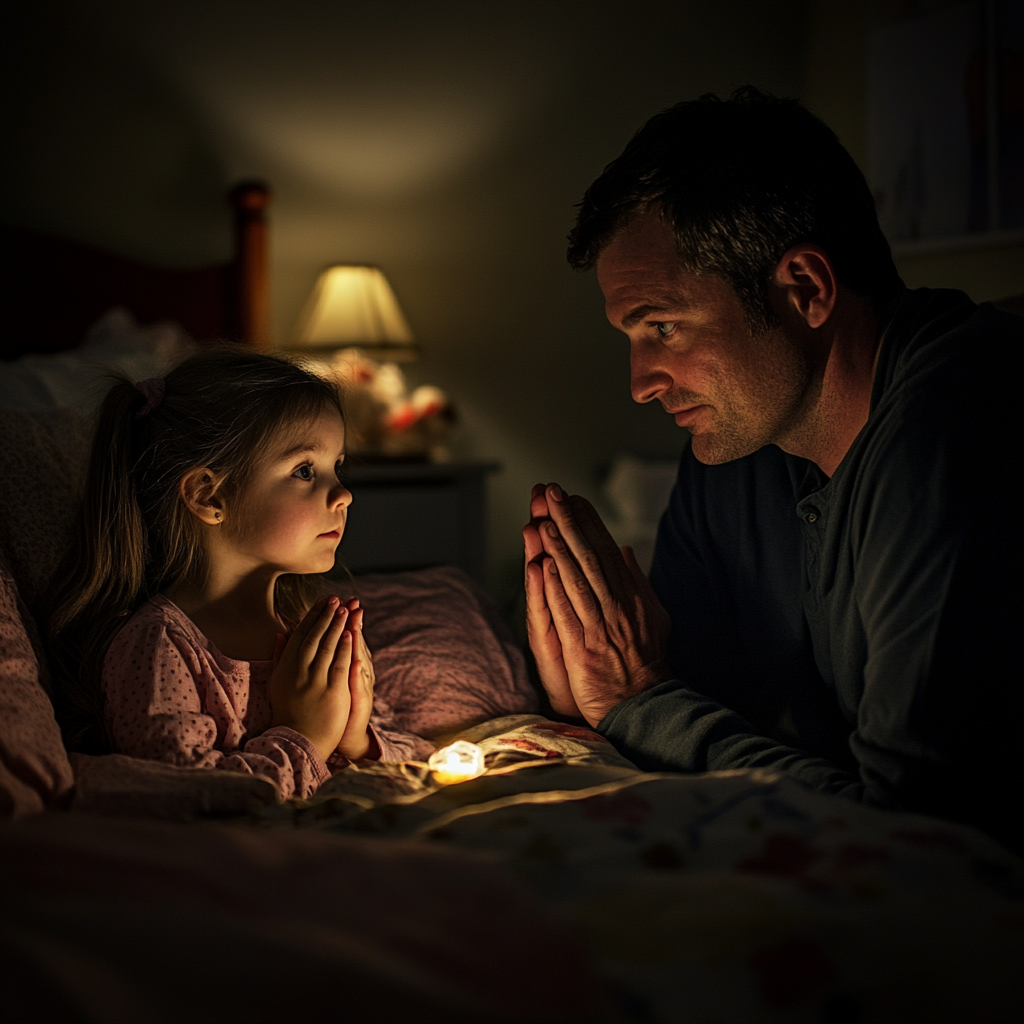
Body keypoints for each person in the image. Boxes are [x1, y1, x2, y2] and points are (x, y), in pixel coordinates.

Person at [524, 88, 1023, 851]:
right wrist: (604, 692)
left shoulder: (957, 424)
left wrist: (637, 703)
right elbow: (696, 703)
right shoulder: (735, 450)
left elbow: (920, 836)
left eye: (663, 326)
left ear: (806, 290)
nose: (642, 381)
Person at [47, 347, 427, 799]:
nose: (343, 494)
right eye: (305, 470)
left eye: (337, 467)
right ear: (210, 496)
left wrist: (359, 740)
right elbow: (187, 798)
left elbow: (422, 759)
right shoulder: (159, 647)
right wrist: (305, 736)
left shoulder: (307, 634)